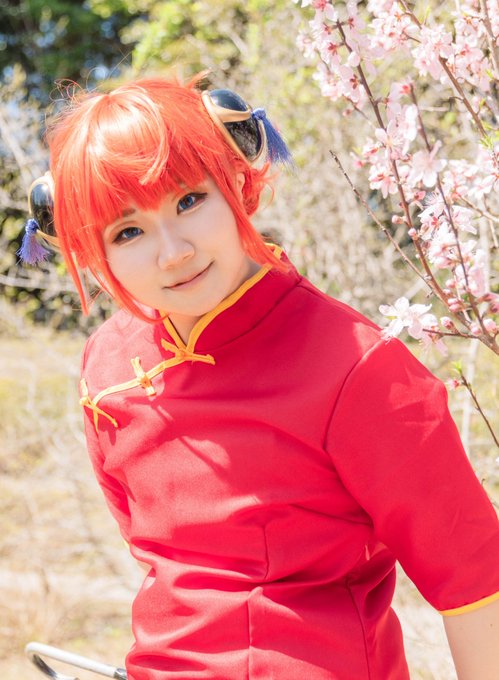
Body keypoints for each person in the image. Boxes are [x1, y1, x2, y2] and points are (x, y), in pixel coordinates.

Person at [21, 74, 499, 680]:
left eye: (189, 200)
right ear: (95, 252)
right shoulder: (108, 367)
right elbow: (160, 562)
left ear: (237, 183)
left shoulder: (356, 367)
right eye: (129, 231)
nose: (174, 251)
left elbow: (475, 581)